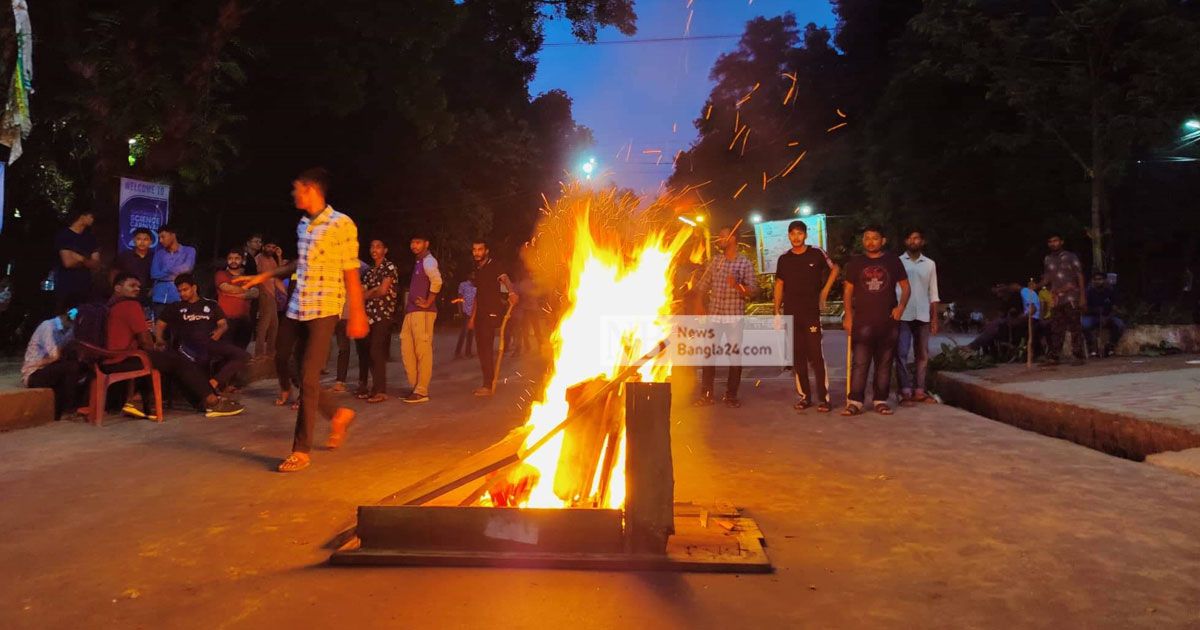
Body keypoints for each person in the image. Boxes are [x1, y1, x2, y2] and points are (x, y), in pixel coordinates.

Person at [236, 167, 366, 472]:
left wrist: (357, 313)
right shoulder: (303, 224)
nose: (293, 193)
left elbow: (350, 270)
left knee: (308, 377)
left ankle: (301, 450)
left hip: (325, 307)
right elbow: (300, 262)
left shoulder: (341, 223)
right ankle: (337, 415)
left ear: (311, 190)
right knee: (282, 359)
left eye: (297, 188)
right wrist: (265, 275)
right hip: (298, 304)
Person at [104, 273, 244, 419]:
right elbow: (146, 340)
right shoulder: (130, 305)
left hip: (111, 357)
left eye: (138, 286)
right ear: (118, 288)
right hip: (124, 358)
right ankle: (212, 401)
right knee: (178, 361)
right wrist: (158, 350)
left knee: (171, 362)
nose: (137, 289)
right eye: (132, 286)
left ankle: (140, 402)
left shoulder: (110, 305)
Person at [842, 225, 910, 416]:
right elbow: (848, 291)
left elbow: (906, 287)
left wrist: (901, 307)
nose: (870, 241)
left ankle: (880, 400)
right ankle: (855, 401)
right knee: (860, 363)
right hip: (862, 322)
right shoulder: (855, 263)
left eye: (875, 238)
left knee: (884, 363)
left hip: (887, 323)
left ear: (883, 241)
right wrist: (848, 315)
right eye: (867, 238)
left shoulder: (893, 261)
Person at [773, 220, 839, 413]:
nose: (796, 237)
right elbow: (779, 285)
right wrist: (776, 311)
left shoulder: (816, 252)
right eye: (792, 234)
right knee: (797, 357)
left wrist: (825, 292)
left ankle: (824, 398)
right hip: (791, 314)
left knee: (816, 357)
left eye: (799, 233)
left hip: (811, 313)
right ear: (788, 236)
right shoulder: (784, 259)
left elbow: (835, 268)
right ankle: (805, 397)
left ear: (805, 235)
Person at [155, 273, 250, 395]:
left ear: (194, 288)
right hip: (187, 346)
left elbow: (223, 323)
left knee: (242, 355)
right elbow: (160, 324)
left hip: (210, 342)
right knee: (202, 358)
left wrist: (219, 331)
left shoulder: (210, 304)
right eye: (179, 291)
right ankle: (207, 394)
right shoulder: (175, 307)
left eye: (185, 290)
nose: (182, 294)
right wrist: (159, 339)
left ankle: (214, 383)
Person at [694, 225, 756, 408]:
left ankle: (731, 395)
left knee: (734, 357)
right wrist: (698, 303)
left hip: (734, 318)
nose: (719, 240)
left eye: (723, 236)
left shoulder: (744, 263)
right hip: (714, 316)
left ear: (733, 238)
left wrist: (738, 286)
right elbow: (702, 285)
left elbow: (752, 291)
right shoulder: (716, 262)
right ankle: (706, 395)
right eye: (719, 237)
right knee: (708, 355)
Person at [894, 229, 939, 404]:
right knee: (901, 353)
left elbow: (933, 292)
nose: (914, 241)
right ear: (906, 242)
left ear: (922, 241)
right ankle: (905, 390)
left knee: (922, 355)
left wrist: (935, 318)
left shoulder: (929, 264)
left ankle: (919, 389)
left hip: (923, 315)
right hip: (903, 314)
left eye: (917, 238)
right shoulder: (897, 262)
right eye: (910, 238)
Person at [468, 239, 517, 397]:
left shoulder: (494, 265)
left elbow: (505, 278)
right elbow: (478, 295)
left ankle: (488, 385)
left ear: (486, 250)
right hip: (480, 314)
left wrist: (511, 292)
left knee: (486, 349)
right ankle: (486, 383)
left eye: (480, 249)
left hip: (491, 312)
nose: (477, 252)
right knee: (482, 349)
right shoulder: (477, 269)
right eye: (474, 250)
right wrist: (472, 317)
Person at [22, 308, 87, 421]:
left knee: (80, 367)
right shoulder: (48, 327)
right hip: (34, 372)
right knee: (71, 367)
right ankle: (68, 410)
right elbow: (54, 356)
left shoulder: (69, 329)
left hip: (50, 369)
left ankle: (66, 410)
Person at [400, 232, 443, 403]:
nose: (414, 246)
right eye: (412, 242)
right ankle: (415, 387)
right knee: (407, 349)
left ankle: (421, 390)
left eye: (418, 242)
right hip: (411, 312)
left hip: (423, 313)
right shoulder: (419, 261)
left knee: (422, 351)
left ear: (426, 243)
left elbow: (437, 281)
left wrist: (428, 302)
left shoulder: (429, 261)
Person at [355, 239, 399, 402]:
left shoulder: (389, 267)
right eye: (372, 246)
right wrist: (371, 291)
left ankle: (381, 390)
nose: (374, 249)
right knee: (368, 351)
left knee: (376, 350)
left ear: (385, 250)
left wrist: (371, 291)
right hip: (368, 316)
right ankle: (374, 388)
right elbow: (361, 294)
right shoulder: (368, 271)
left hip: (383, 314)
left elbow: (382, 290)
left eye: (378, 246)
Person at [1040, 232, 1086, 365]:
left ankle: (1078, 356)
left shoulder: (1071, 256)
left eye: (1055, 240)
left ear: (1061, 241)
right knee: (1056, 328)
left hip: (1071, 296)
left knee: (1074, 326)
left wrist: (1083, 297)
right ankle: (1054, 356)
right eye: (1050, 241)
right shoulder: (1047, 259)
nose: (1052, 243)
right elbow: (1047, 278)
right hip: (1056, 298)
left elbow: (1080, 276)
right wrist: (1036, 285)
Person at [53, 209, 100, 311]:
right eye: (90, 216)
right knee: (66, 317)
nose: (92, 219)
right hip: (66, 286)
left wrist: (80, 258)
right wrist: (87, 261)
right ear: (82, 216)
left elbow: (96, 264)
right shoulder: (65, 236)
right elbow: (68, 263)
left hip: (85, 287)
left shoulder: (90, 238)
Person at [150, 224, 196, 316]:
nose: (161, 241)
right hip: (160, 298)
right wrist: (176, 275)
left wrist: (164, 272)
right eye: (159, 238)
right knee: (159, 327)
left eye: (163, 237)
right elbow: (154, 274)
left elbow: (187, 268)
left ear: (173, 235)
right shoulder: (159, 254)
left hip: (180, 297)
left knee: (179, 328)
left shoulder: (189, 251)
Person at [215, 249, 254, 350]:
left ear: (242, 260)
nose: (233, 261)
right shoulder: (221, 274)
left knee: (241, 351)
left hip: (244, 320)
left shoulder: (247, 277)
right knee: (226, 350)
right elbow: (226, 288)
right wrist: (245, 291)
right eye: (230, 258)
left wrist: (235, 293)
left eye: (237, 258)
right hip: (226, 320)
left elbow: (255, 293)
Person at [253, 241, 285, 357]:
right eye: (268, 247)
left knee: (274, 325)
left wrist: (279, 256)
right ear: (263, 247)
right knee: (264, 325)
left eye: (273, 247)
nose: (271, 249)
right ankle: (259, 354)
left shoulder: (272, 259)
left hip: (272, 295)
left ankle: (270, 352)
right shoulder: (259, 258)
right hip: (264, 293)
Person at [1083, 272, 1124, 357]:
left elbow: (1115, 308)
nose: (1097, 281)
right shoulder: (1088, 291)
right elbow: (1084, 308)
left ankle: (1110, 347)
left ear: (1105, 280)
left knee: (1119, 325)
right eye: (1095, 279)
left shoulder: (1110, 290)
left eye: (1100, 279)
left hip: (1108, 316)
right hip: (1092, 317)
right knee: (1084, 325)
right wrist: (1094, 310)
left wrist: (1107, 318)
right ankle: (1092, 348)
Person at [112, 227, 155, 307]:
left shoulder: (155, 257)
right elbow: (114, 272)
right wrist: (116, 289)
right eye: (139, 239)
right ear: (134, 241)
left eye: (145, 239)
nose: (142, 242)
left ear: (150, 242)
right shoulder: (125, 256)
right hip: (126, 295)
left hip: (148, 296)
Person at [454, 278, 476, 359]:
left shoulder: (477, 287)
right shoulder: (463, 285)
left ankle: (468, 352)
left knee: (471, 333)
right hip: (465, 311)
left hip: (473, 312)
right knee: (464, 332)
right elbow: (460, 297)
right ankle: (458, 352)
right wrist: (459, 310)